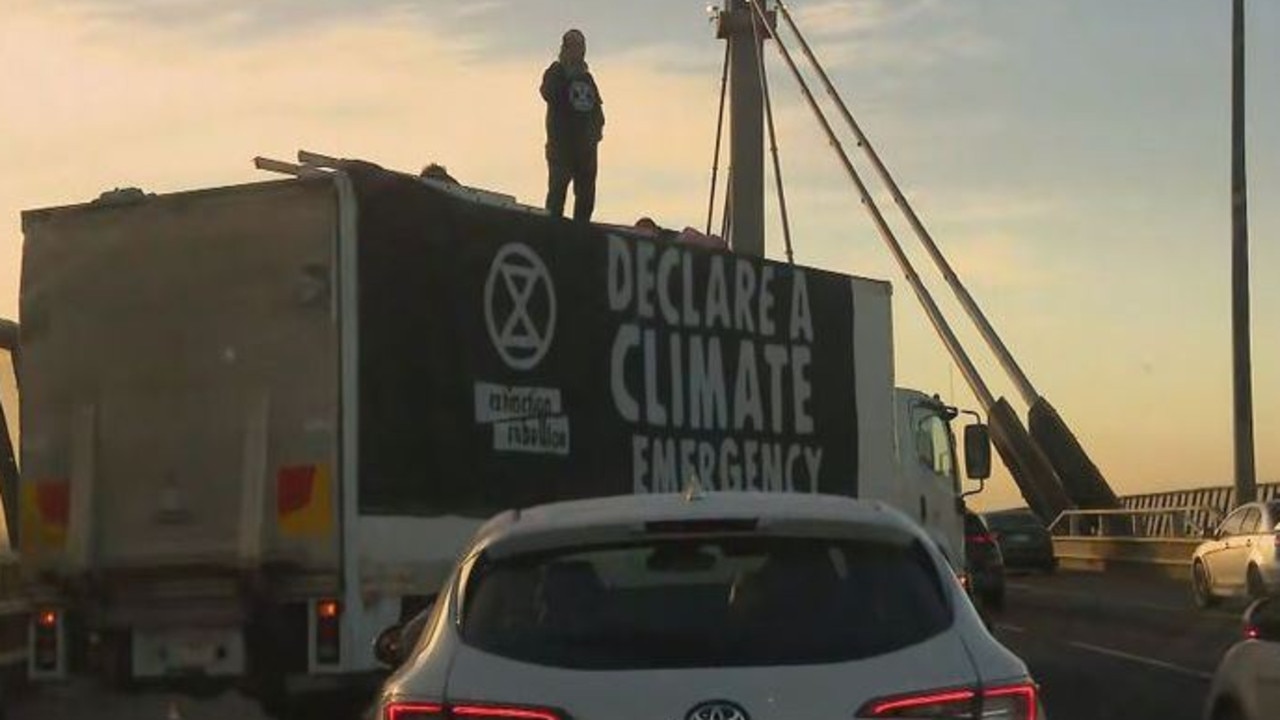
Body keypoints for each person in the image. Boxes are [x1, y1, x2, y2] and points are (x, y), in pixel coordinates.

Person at [541, 29, 605, 222]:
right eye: (573, 46)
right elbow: (548, 93)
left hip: (586, 150)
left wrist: (595, 134)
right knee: (557, 193)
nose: (578, 51)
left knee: (585, 197)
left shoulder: (587, 79)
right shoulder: (556, 71)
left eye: (580, 46)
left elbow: (597, 110)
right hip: (562, 147)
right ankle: (552, 229)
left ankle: (581, 231)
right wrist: (567, 77)